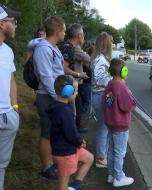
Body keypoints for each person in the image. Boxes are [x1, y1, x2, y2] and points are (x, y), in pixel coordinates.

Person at [33, 16, 66, 180]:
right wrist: (58, 97)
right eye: (64, 30)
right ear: (58, 31)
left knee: (52, 132)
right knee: (46, 133)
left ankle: (52, 162)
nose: (65, 33)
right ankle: (46, 167)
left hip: (53, 96)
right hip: (47, 97)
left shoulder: (53, 47)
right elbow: (46, 78)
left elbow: (57, 72)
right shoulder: (44, 49)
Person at [47, 75, 93, 190]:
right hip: (65, 153)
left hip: (69, 148)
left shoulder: (57, 107)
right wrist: (80, 142)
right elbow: (71, 132)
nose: (77, 93)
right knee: (62, 185)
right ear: (68, 92)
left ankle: (76, 185)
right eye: (75, 91)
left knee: (89, 158)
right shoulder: (64, 111)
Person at [102, 59, 136, 187]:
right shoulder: (121, 87)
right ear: (123, 71)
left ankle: (111, 174)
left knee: (111, 150)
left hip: (110, 122)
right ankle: (119, 177)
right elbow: (127, 106)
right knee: (120, 152)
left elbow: (108, 102)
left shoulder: (110, 84)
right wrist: (132, 99)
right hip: (120, 124)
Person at [0, 5, 20, 190]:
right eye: (12, 22)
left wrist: (15, 109)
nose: (15, 25)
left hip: (8, 117)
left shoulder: (8, 51)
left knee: (2, 164)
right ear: (1, 24)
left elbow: (11, 80)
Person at [59, 23, 89, 133]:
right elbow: (63, 69)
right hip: (67, 85)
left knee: (76, 106)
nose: (84, 37)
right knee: (73, 110)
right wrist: (78, 75)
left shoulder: (64, 45)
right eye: (83, 35)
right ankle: (73, 132)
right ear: (80, 35)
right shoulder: (70, 48)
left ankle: (73, 129)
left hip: (63, 85)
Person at [91, 32, 113, 168]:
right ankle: (101, 157)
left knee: (104, 127)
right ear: (107, 44)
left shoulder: (99, 58)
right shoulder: (100, 59)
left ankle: (102, 154)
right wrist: (113, 82)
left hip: (101, 95)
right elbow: (100, 80)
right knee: (103, 128)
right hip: (101, 96)